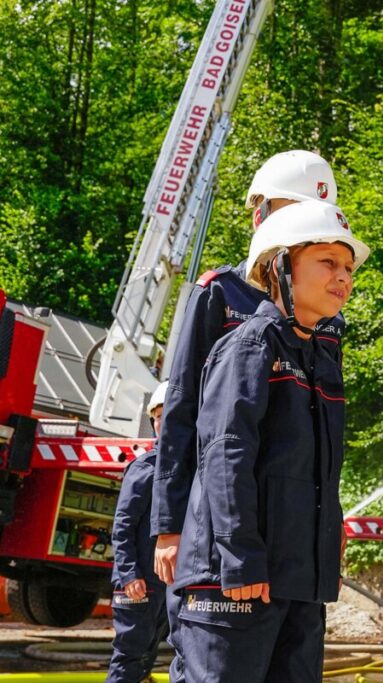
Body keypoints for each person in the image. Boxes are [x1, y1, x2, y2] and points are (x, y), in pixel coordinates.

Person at [151, 150, 342, 681]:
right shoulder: (221, 293)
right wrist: (169, 526)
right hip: (217, 530)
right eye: (287, 210)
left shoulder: (327, 319)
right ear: (261, 214)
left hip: (289, 552)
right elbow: (186, 413)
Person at [107, 382, 170, 683]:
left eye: (166, 415)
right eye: (156, 417)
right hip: (138, 583)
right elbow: (123, 526)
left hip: (161, 584)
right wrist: (129, 574)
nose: (160, 423)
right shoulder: (146, 467)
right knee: (129, 657)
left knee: (147, 655)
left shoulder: (179, 469)